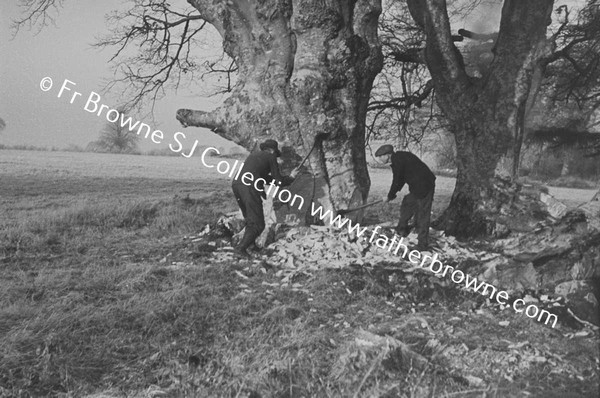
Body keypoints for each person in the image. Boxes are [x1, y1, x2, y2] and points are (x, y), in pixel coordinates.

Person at [232, 139, 297, 258]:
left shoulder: (254, 156)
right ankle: (241, 249)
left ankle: (251, 245)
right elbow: (278, 181)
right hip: (249, 187)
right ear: (272, 150)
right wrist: (291, 177)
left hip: (237, 185)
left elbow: (266, 179)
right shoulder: (270, 156)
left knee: (250, 220)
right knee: (258, 224)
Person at [375, 144, 436, 250]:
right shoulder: (399, 158)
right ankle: (401, 230)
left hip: (425, 185)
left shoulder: (398, 161)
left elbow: (397, 180)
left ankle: (422, 245)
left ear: (388, 155)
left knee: (423, 215)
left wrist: (389, 196)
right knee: (407, 203)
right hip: (417, 187)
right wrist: (393, 195)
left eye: (381, 156)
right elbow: (401, 179)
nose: (379, 159)